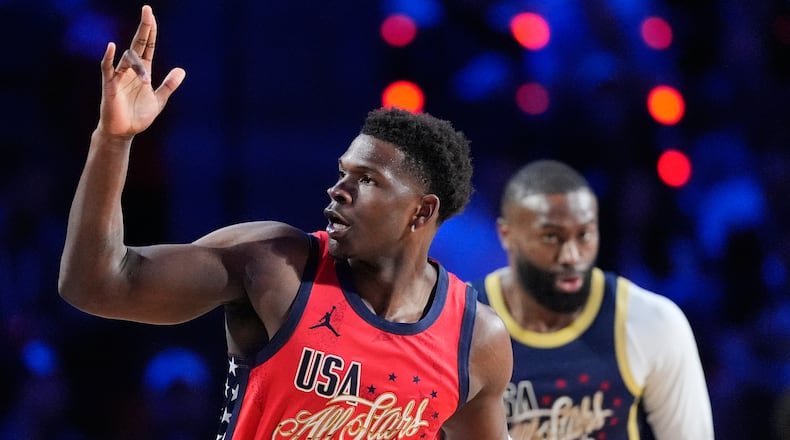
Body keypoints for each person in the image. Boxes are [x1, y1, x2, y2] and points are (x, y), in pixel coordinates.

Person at [57, 5, 513, 439]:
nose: (338, 190)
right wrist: (113, 141)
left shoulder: (477, 339)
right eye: (342, 173)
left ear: (423, 210)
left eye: (368, 180)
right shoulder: (275, 263)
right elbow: (94, 284)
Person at [471, 159, 714, 439]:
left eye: (584, 235)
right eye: (551, 237)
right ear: (507, 235)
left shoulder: (651, 321)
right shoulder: (461, 320)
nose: (571, 256)